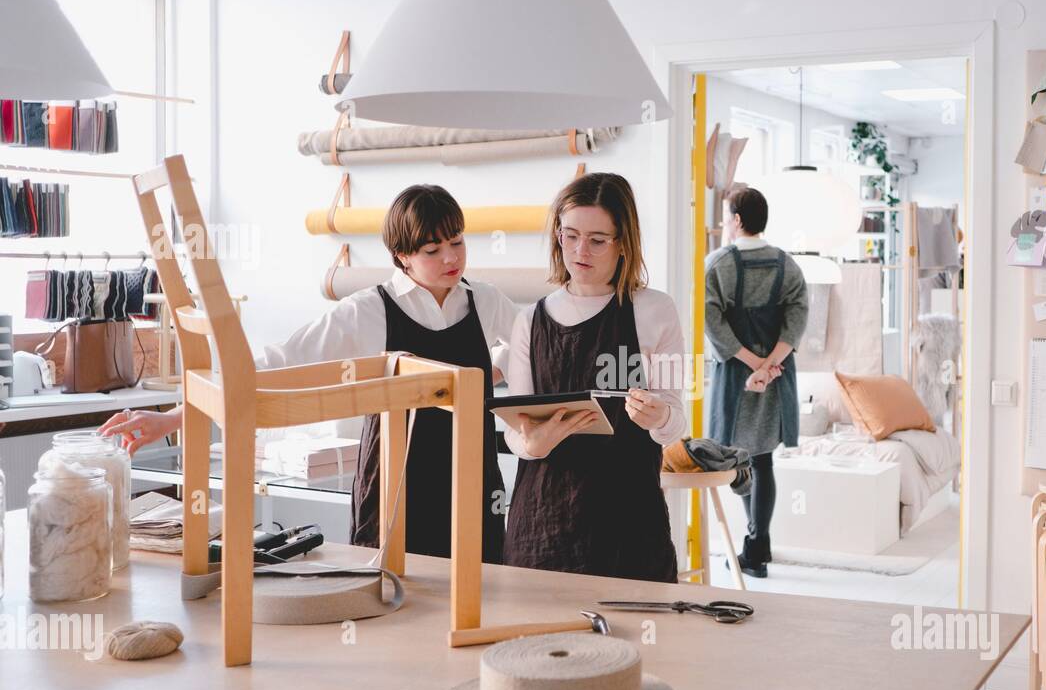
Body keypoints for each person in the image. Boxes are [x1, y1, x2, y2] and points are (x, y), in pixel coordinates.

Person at [99, 185, 517, 562]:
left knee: (481, 588)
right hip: (398, 485)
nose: (451, 257)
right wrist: (175, 417)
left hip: (474, 478)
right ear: (402, 256)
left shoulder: (485, 301)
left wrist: (494, 369)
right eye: (432, 250)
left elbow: (531, 350)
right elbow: (274, 367)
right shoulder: (368, 310)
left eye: (457, 242)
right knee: (395, 601)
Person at [502, 172, 685, 582]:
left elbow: (677, 421)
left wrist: (658, 418)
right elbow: (516, 429)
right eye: (570, 236)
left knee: (644, 644)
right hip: (543, 525)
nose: (581, 250)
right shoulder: (529, 320)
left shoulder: (656, 310)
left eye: (598, 240)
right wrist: (532, 444)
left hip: (629, 526)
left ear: (624, 243)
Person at [704, 185, 808, 579]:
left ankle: (754, 546)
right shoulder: (787, 264)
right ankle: (757, 547)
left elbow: (710, 320)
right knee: (762, 459)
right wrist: (770, 364)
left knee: (737, 458)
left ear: (737, 220)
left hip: (734, 374)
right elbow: (798, 316)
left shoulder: (717, 264)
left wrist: (751, 364)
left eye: (727, 216)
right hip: (777, 375)